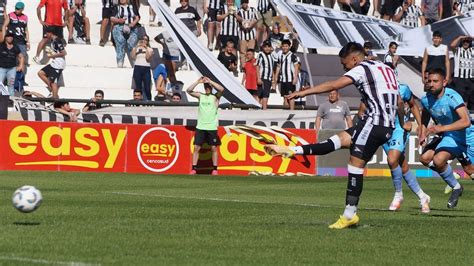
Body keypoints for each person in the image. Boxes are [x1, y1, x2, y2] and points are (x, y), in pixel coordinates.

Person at [266, 42, 402, 229]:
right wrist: (401, 121)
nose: (343, 68)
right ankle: (291, 151)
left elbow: (333, 85)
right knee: (335, 142)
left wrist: (302, 92)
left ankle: (349, 214)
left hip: (374, 123)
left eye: (344, 64)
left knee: (355, 165)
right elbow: (399, 100)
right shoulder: (384, 67)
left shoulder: (361, 68)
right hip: (383, 124)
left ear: (354, 59)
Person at [363, 83, 431, 212]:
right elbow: (364, 108)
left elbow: (413, 105)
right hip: (382, 128)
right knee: (402, 165)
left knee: (392, 159)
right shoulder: (373, 88)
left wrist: (421, 126)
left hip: (399, 129)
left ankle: (398, 194)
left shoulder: (403, 88)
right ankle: (423, 197)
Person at [419, 68, 471, 208]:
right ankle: (456, 187)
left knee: (470, 171)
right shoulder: (426, 99)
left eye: (435, 81)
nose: (431, 84)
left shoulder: (452, 96)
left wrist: (440, 128)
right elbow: (425, 115)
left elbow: (466, 121)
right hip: (449, 136)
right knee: (429, 159)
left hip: (467, 137)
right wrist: (422, 133)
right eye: (429, 81)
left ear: (444, 82)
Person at [187, 76, 224, 175]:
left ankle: (215, 169)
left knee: (213, 148)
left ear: (211, 87)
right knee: (196, 148)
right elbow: (189, 90)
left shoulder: (215, 97)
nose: (207, 88)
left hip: (211, 127)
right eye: (206, 86)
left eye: (209, 87)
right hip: (201, 126)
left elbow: (221, 89)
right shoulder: (201, 96)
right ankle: (194, 168)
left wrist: (210, 81)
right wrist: (197, 82)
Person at [34, 0, 68, 64]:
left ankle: (56, 57)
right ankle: (37, 56)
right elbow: (38, 8)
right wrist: (40, 20)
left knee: (59, 40)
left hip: (59, 24)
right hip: (48, 23)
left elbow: (66, 9)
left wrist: (66, 20)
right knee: (45, 39)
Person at [37, 27, 66, 99]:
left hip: (58, 64)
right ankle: (52, 89)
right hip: (54, 62)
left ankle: (55, 98)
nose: (46, 35)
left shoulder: (57, 40)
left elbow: (64, 53)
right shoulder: (53, 40)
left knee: (53, 82)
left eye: (47, 33)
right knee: (41, 73)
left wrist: (52, 55)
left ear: (50, 33)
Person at [2, 2, 30, 76]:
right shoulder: (11, 15)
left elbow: (26, 30)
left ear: (22, 9)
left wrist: (28, 42)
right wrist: (5, 38)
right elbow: (4, 26)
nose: (16, 10)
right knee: (11, 59)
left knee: (22, 60)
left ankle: (21, 78)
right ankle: (9, 77)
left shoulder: (25, 17)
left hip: (21, 42)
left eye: (18, 9)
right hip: (12, 41)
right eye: (16, 8)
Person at [111, 0, 139, 68]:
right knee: (120, 44)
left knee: (131, 44)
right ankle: (120, 63)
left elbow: (137, 17)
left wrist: (133, 23)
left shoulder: (132, 7)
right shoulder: (116, 7)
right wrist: (119, 20)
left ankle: (135, 63)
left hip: (131, 27)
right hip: (119, 27)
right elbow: (111, 18)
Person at [273, 39, 299, 110]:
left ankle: (292, 111)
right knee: (284, 97)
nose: (284, 48)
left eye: (286, 46)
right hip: (283, 79)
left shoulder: (292, 56)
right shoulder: (280, 55)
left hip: (290, 79)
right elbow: (278, 66)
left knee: (291, 96)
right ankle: (285, 112)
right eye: (283, 46)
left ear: (289, 47)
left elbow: (296, 66)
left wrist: (295, 77)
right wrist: (276, 76)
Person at [450, 35, 474, 109]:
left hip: (471, 78)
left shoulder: (472, 50)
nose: (466, 43)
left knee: (469, 97)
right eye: (464, 41)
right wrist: (460, 37)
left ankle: (468, 114)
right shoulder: (458, 50)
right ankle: (462, 114)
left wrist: (472, 38)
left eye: (467, 41)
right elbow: (452, 45)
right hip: (460, 78)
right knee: (460, 97)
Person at [0, 31, 24, 96]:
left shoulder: (15, 47)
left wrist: (20, 65)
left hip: (12, 69)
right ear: (5, 38)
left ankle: (12, 100)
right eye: (8, 36)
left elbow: (21, 57)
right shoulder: (1, 46)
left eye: (11, 36)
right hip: (1, 68)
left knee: (11, 85)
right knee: (0, 84)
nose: (10, 38)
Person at [236, 0, 258, 69]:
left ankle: (250, 65)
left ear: (247, 3)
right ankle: (243, 66)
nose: (244, 4)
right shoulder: (239, 11)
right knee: (243, 52)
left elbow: (256, 19)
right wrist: (243, 26)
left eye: (245, 2)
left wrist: (251, 25)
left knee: (251, 50)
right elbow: (237, 20)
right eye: (243, 3)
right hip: (242, 34)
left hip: (251, 34)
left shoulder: (252, 9)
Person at [131, 35, 153, 101]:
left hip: (146, 68)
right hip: (137, 67)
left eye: (146, 40)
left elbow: (148, 58)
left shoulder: (150, 49)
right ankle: (138, 101)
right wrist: (137, 46)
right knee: (138, 87)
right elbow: (133, 56)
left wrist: (146, 48)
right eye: (142, 39)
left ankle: (149, 101)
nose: (144, 41)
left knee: (147, 88)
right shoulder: (135, 48)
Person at [256, 41, 274, 109]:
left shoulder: (271, 55)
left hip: (269, 78)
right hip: (263, 78)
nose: (267, 48)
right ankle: (264, 110)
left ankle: (260, 109)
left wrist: (273, 79)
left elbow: (272, 68)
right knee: (264, 95)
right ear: (263, 47)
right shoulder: (261, 55)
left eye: (268, 47)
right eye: (265, 47)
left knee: (264, 95)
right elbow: (257, 66)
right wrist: (258, 78)